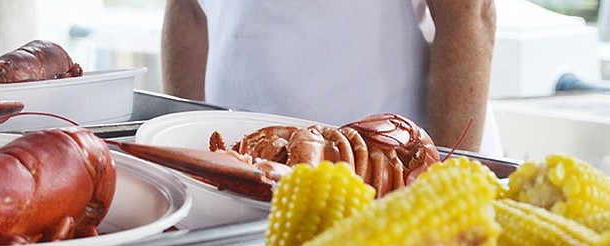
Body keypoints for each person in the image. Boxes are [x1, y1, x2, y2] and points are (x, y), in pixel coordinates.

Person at [161, 0, 502, 155]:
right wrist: (187, 154)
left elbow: (468, 13)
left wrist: (447, 175)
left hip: (387, 180)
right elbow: (188, 11)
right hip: (238, 168)